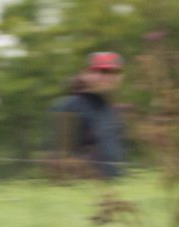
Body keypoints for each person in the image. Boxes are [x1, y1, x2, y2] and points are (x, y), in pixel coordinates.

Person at [48, 51, 126, 179]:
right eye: (101, 72)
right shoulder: (69, 106)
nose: (108, 77)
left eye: (114, 72)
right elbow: (61, 161)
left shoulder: (113, 110)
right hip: (81, 190)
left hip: (113, 191)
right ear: (86, 74)